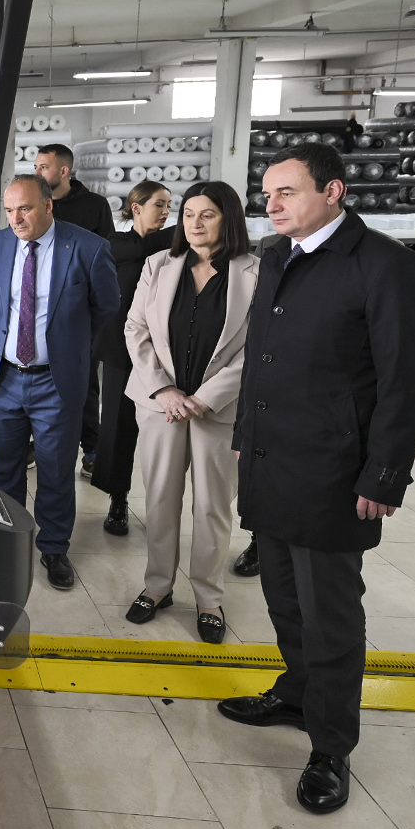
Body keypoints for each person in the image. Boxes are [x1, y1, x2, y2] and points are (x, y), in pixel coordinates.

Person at [218, 143, 415, 814]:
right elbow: (261, 357)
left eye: (287, 192)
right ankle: (296, 691)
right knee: (282, 595)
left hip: (335, 472)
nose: (272, 205)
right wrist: (245, 436)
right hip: (272, 459)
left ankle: (332, 744)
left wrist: (385, 475)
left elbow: (405, 382)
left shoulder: (384, 265)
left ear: (333, 190)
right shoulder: (278, 255)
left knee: (329, 614)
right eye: (267, 194)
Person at [122, 182, 259, 644]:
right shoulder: (158, 264)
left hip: (217, 411)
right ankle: (157, 586)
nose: (195, 224)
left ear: (229, 219)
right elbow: (136, 328)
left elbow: (259, 347)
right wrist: (163, 390)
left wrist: (206, 396)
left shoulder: (255, 273)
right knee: (160, 500)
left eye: (207, 215)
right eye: (188, 215)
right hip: (160, 406)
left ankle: (208, 598)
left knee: (213, 507)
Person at [0, 174, 118, 591]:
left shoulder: (88, 248)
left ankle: (54, 548)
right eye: (9, 210)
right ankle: (7, 539)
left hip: (55, 381)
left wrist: (66, 343)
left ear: (48, 205)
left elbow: (106, 306)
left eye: (25, 208)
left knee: (56, 470)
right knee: (4, 467)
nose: (15, 218)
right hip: (4, 378)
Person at [91, 182, 175, 535]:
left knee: (165, 432)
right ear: (136, 207)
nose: (166, 212)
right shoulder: (117, 244)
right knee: (118, 426)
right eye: (159, 204)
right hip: (121, 351)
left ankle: (164, 505)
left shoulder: (174, 249)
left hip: (165, 351)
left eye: (170, 205)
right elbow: (138, 248)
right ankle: (118, 498)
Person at [35, 142, 113, 478]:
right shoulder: (36, 204)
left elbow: (105, 258)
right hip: (37, 311)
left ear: (64, 171)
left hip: (77, 313)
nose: (38, 172)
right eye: (36, 167)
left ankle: (91, 448)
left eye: (44, 167)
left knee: (85, 383)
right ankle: (35, 442)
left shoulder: (94, 207)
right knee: (36, 378)